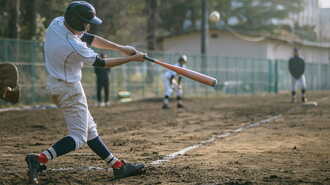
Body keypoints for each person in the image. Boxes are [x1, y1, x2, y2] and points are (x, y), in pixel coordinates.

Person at [25, 1, 145, 184]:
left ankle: (118, 166)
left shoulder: (57, 22)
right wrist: (132, 59)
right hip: (69, 89)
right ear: (77, 22)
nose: (88, 25)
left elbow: (88, 37)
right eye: (85, 22)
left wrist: (122, 48)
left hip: (58, 84)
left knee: (89, 130)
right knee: (79, 137)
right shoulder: (73, 45)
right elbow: (102, 63)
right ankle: (39, 159)